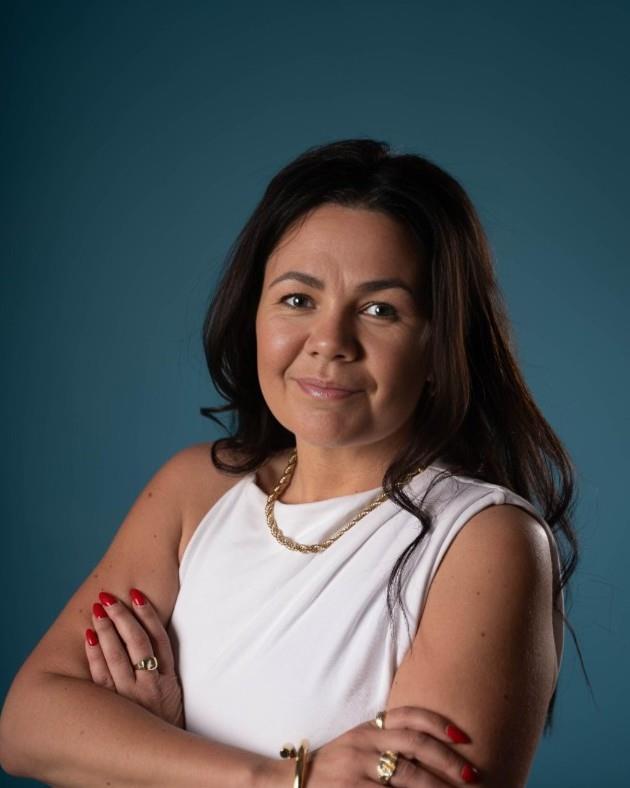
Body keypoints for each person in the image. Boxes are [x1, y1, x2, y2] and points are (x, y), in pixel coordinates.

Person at [0, 138, 578, 787]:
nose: (329, 342)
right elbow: (25, 728)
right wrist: (281, 777)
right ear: (254, 313)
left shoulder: (486, 541)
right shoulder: (194, 490)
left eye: (380, 310)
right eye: (298, 299)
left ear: (441, 347)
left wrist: (150, 752)